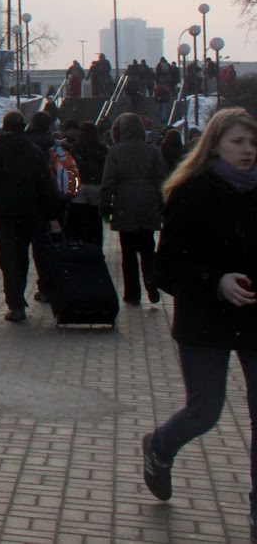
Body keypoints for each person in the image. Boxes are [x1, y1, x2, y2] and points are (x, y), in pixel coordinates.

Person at [143, 107, 257, 532]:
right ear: (215, 145)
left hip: (255, 318)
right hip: (205, 319)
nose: (248, 150)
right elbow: (167, 266)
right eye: (238, 142)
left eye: (253, 142)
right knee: (205, 410)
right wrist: (215, 280)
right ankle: (160, 446)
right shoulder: (191, 192)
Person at [0, 110, 65, 323]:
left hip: (1, 213)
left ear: (4, 126)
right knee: (22, 254)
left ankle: (15, 303)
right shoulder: (33, 151)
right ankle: (19, 295)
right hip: (29, 211)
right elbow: (45, 184)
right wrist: (52, 213)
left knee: (8, 256)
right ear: (23, 127)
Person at [100, 112, 169, 305]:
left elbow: (109, 179)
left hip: (125, 202)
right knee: (148, 246)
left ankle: (132, 293)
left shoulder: (115, 151)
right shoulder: (151, 150)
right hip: (148, 201)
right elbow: (161, 178)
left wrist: (105, 204)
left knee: (128, 250)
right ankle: (151, 280)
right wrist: (162, 203)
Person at [66, 121, 109, 246]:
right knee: (94, 217)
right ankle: (94, 243)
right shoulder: (102, 148)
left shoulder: (75, 148)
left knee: (77, 217)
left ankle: (76, 244)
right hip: (96, 185)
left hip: (80, 185)